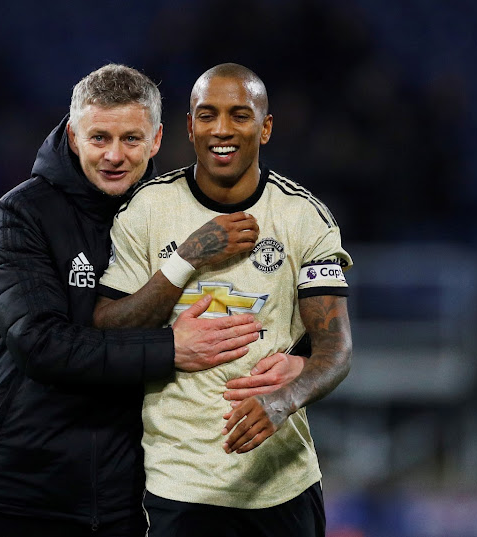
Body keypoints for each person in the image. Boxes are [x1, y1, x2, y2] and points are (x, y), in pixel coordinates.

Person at [0, 63, 303, 537]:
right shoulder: (23, 214)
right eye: (99, 137)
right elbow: (39, 345)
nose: (114, 156)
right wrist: (170, 349)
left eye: (131, 139)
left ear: (158, 139)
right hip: (30, 493)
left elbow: (251, 309)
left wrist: (301, 361)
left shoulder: (171, 214)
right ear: (74, 134)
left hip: (130, 496)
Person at [94, 63, 353, 537]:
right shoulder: (147, 210)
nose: (222, 129)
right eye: (208, 115)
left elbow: (336, 351)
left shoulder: (303, 217)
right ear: (189, 126)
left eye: (240, 114)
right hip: (179, 487)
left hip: (283, 484)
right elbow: (108, 327)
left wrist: (285, 398)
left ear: (266, 127)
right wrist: (186, 258)